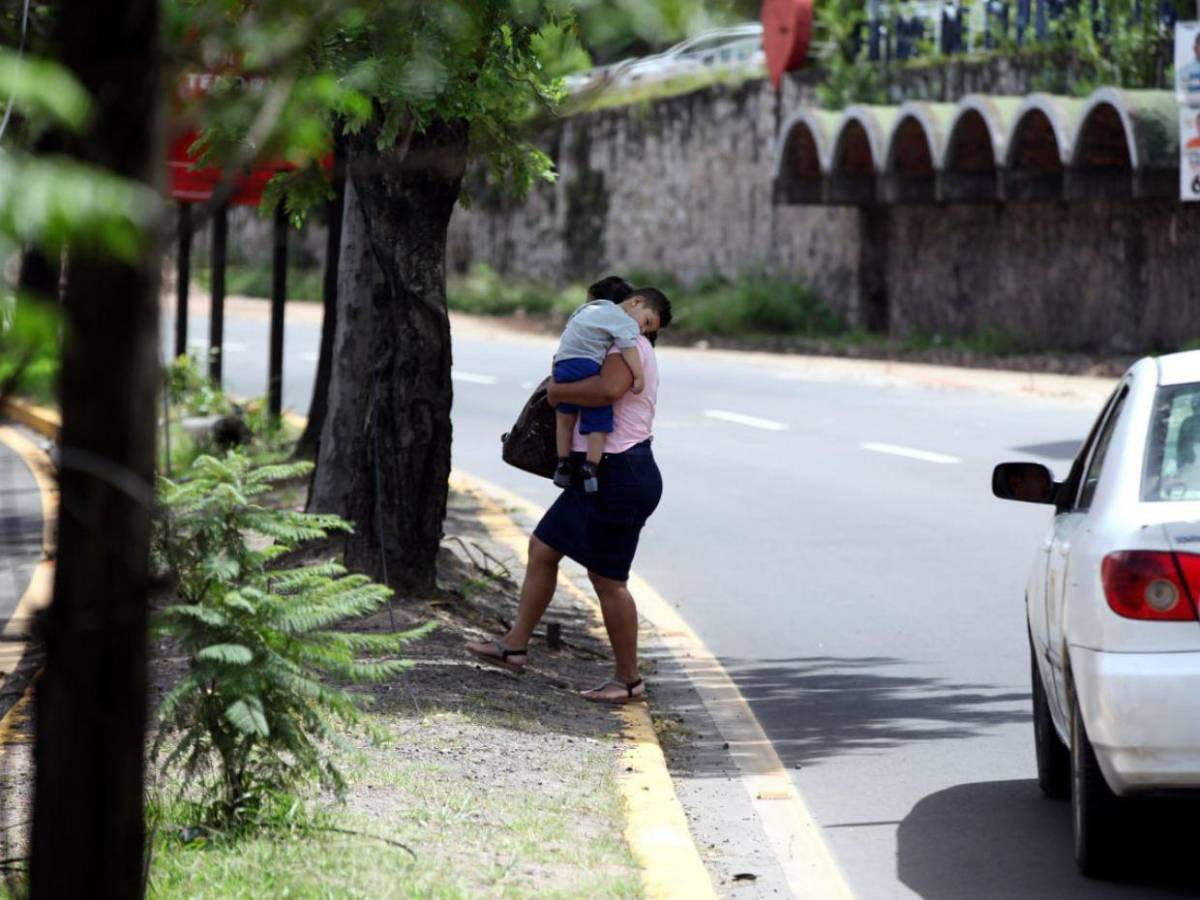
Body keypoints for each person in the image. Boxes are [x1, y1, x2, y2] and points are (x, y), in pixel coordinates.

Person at [467, 286, 673, 704]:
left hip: (620, 472)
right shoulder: (615, 341)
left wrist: (558, 394)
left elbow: (608, 391)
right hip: (604, 471)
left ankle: (628, 680)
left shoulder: (625, 343)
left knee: (608, 580)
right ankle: (515, 645)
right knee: (544, 548)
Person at [550, 282, 668, 493]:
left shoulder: (605, 320)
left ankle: (566, 463)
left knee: (568, 418)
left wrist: (557, 389)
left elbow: (607, 390)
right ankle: (589, 466)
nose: (641, 329)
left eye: (647, 327)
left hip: (619, 461)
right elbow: (604, 392)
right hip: (620, 459)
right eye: (645, 323)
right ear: (635, 302)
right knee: (596, 420)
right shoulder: (621, 328)